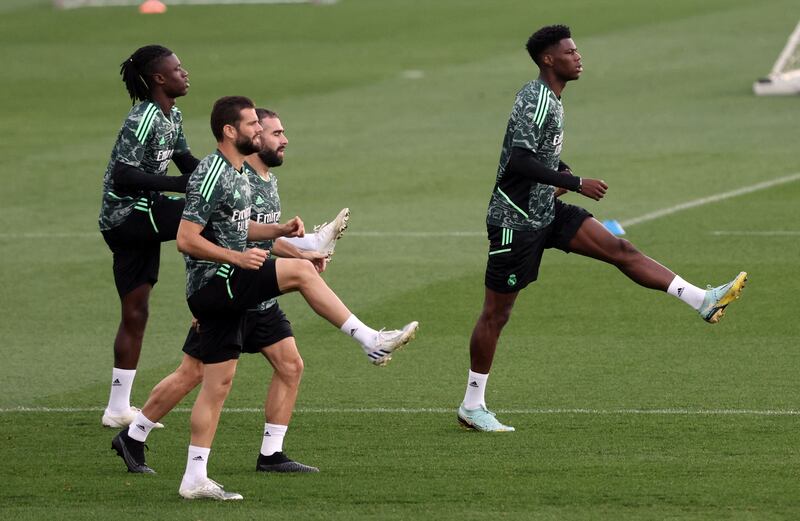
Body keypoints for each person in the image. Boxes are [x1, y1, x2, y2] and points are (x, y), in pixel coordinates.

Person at [112, 96, 418, 501]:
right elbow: (187, 240)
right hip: (214, 284)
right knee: (299, 274)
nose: (260, 130)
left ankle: (191, 476)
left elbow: (239, 228)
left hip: (231, 285)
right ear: (229, 131)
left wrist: (279, 232)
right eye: (254, 124)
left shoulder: (238, 173)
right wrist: (238, 256)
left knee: (216, 383)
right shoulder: (210, 171)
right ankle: (370, 340)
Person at [457, 25, 747, 433]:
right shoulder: (534, 99)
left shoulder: (554, 101)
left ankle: (702, 299)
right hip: (515, 222)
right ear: (548, 60)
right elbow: (517, 161)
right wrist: (575, 183)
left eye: (577, 50)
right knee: (496, 314)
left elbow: (534, 158)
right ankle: (472, 405)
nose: (579, 57)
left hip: (546, 212)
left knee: (619, 250)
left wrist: (560, 172)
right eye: (570, 52)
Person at [98, 45, 199, 429]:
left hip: (142, 214)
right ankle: (297, 246)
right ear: (159, 78)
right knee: (203, 217)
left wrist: (218, 173)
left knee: (136, 312)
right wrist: (178, 184)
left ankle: (117, 408)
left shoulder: (172, 116)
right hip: (126, 214)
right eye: (177, 68)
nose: (185, 73)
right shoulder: (143, 117)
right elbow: (122, 174)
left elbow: (187, 163)